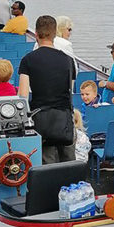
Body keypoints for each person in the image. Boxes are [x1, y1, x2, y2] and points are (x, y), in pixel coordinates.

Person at [18, 15, 76, 164]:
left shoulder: (27, 60)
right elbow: (70, 91)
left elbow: (22, 96)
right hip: (64, 120)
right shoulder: (68, 60)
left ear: (36, 34)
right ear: (54, 34)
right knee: (69, 165)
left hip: (41, 121)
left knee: (47, 164)